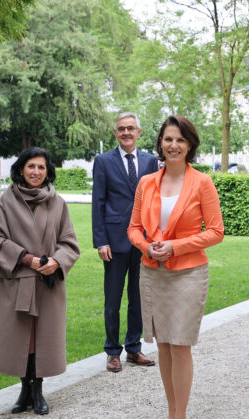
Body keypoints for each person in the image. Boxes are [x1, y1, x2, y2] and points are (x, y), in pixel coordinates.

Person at [127, 115, 224, 419]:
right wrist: (146, 246)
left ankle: (181, 417)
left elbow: (216, 231)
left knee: (180, 344)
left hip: (188, 273)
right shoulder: (146, 183)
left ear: (190, 145)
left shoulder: (202, 183)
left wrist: (175, 246)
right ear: (160, 143)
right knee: (164, 345)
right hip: (152, 272)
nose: (173, 145)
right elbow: (133, 228)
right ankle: (171, 413)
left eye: (180, 140)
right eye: (168, 139)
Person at [0, 147, 80, 416]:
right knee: (21, 339)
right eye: (31, 166)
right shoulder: (7, 200)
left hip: (48, 283)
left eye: (41, 167)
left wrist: (57, 261)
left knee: (42, 338)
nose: (36, 172)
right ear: (21, 169)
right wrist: (26, 258)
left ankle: (37, 390)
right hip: (18, 280)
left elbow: (70, 242)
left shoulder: (58, 203)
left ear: (47, 171)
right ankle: (24, 390)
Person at [92, 112, 158, 372]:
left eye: (130, 128)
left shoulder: (150, 161)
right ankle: (112, 351)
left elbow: (155, 202)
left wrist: (154, 239)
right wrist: (101, 241)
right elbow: (98, 202)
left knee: (138, 298)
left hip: (143, 242)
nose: (126, 132)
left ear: (139, 132)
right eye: (121, 129)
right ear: (116, 133)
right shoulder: (103, 161)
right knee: (113, 299)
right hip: (114, 241)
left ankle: (133, 348)